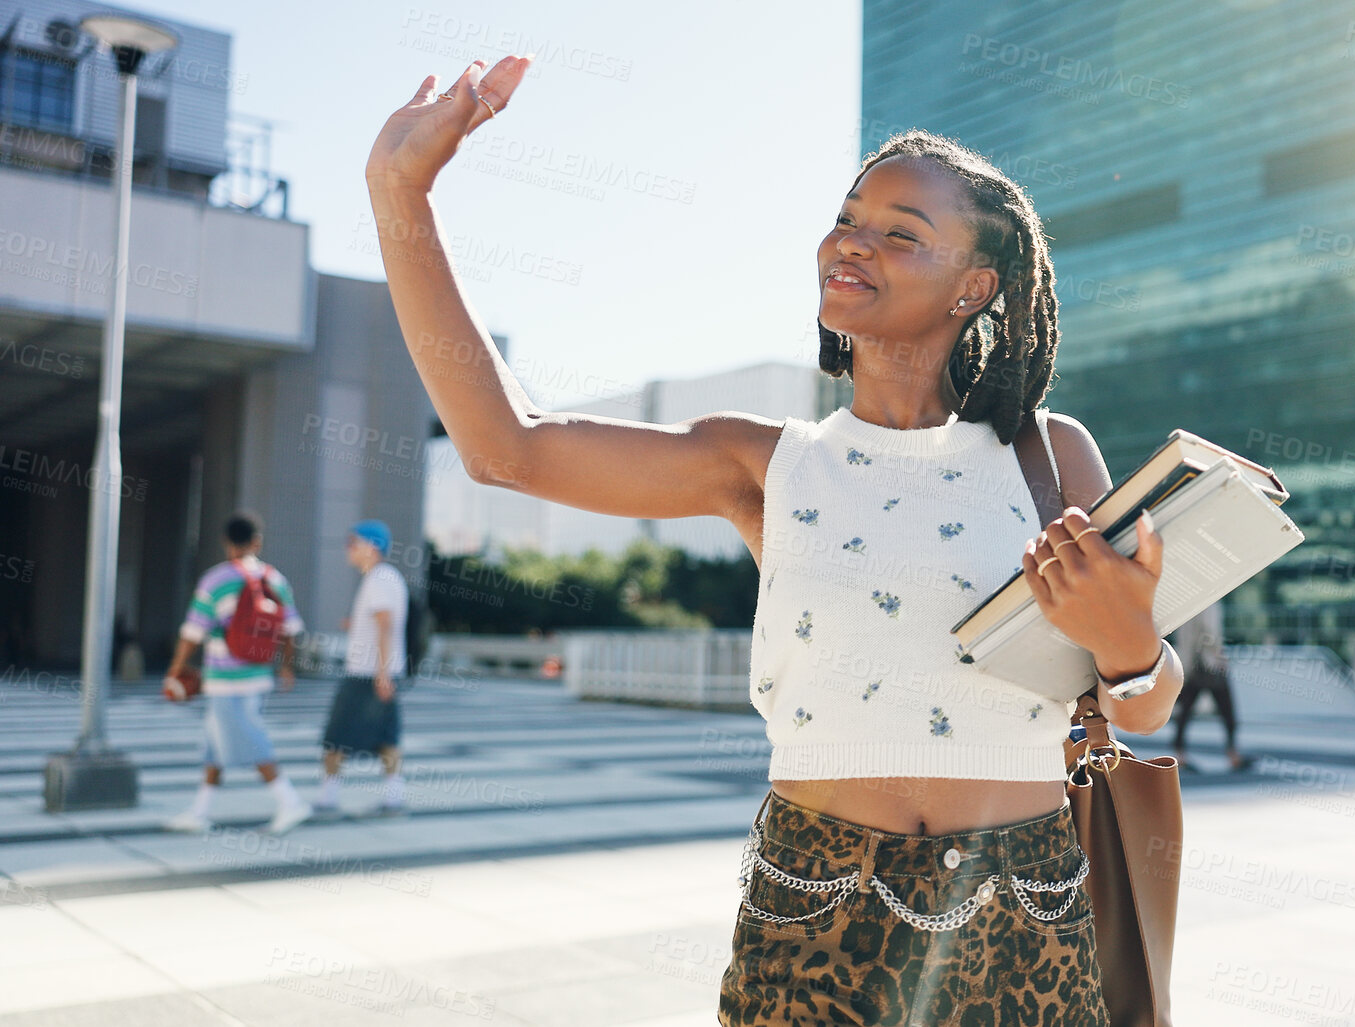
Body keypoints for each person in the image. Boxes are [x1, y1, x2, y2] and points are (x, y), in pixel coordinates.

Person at [365, 56, 1188, 1025]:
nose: (852, 243)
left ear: (976, 286)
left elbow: (1143, 708)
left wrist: (1130, 641)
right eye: (847, 218)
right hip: (810, 907)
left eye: (898, 233)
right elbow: (508, 450)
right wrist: (400, 189)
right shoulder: (765, 464)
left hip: (1023, 912)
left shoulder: (1048, 457)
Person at [162, 511, 311, 835]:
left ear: (227, 542)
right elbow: (291, 630)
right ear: (257, 542)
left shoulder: (215, 580)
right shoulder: (276, 579)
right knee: (215, 747)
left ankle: (290, 802)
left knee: (250, 741)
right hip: (258, 678)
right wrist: (286, 667)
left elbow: (192, 632)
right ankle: (200, 812)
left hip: (225, 680)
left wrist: (175, 669)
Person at [316, 519, 411, 817]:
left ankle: (328, 796)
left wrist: (381, 674)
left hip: (367, 674)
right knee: (386, 737)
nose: (349, 549)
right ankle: (394, 796)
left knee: (335, 735)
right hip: (379, 672)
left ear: (371, 547)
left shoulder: (380, 579)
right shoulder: (383, 577)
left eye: (352, 542)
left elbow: (386, 625)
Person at [1169, 600, 1254, 772]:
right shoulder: (1208, 600)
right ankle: (1233, 755)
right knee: (1227, 709)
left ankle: (1179, 754)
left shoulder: (1187, 603)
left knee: (1185, 710)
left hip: (1194, 663)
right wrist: (1218, 654)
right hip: (1209, 663)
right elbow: (1209, 630)